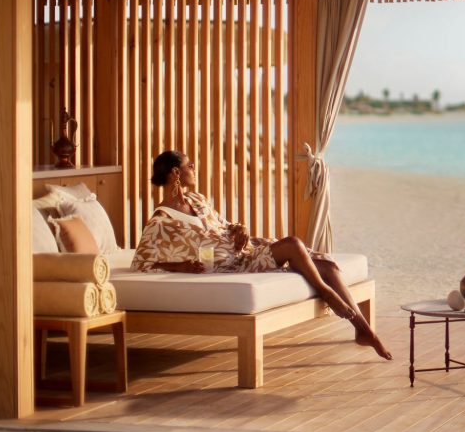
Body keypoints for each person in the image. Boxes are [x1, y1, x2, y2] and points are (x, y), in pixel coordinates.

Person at [133, 150, 391, 360]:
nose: (194, 169)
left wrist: (240, 228)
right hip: (232, 265)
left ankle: (365, 332)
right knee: (292, 244)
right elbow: (141, 262)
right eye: (190, 165)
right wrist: (180, 267)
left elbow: (223, 224)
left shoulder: (197, 199)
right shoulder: (161, 220)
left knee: (327, 265)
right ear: (176, 173)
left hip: (246, 250)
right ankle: (327, 293)